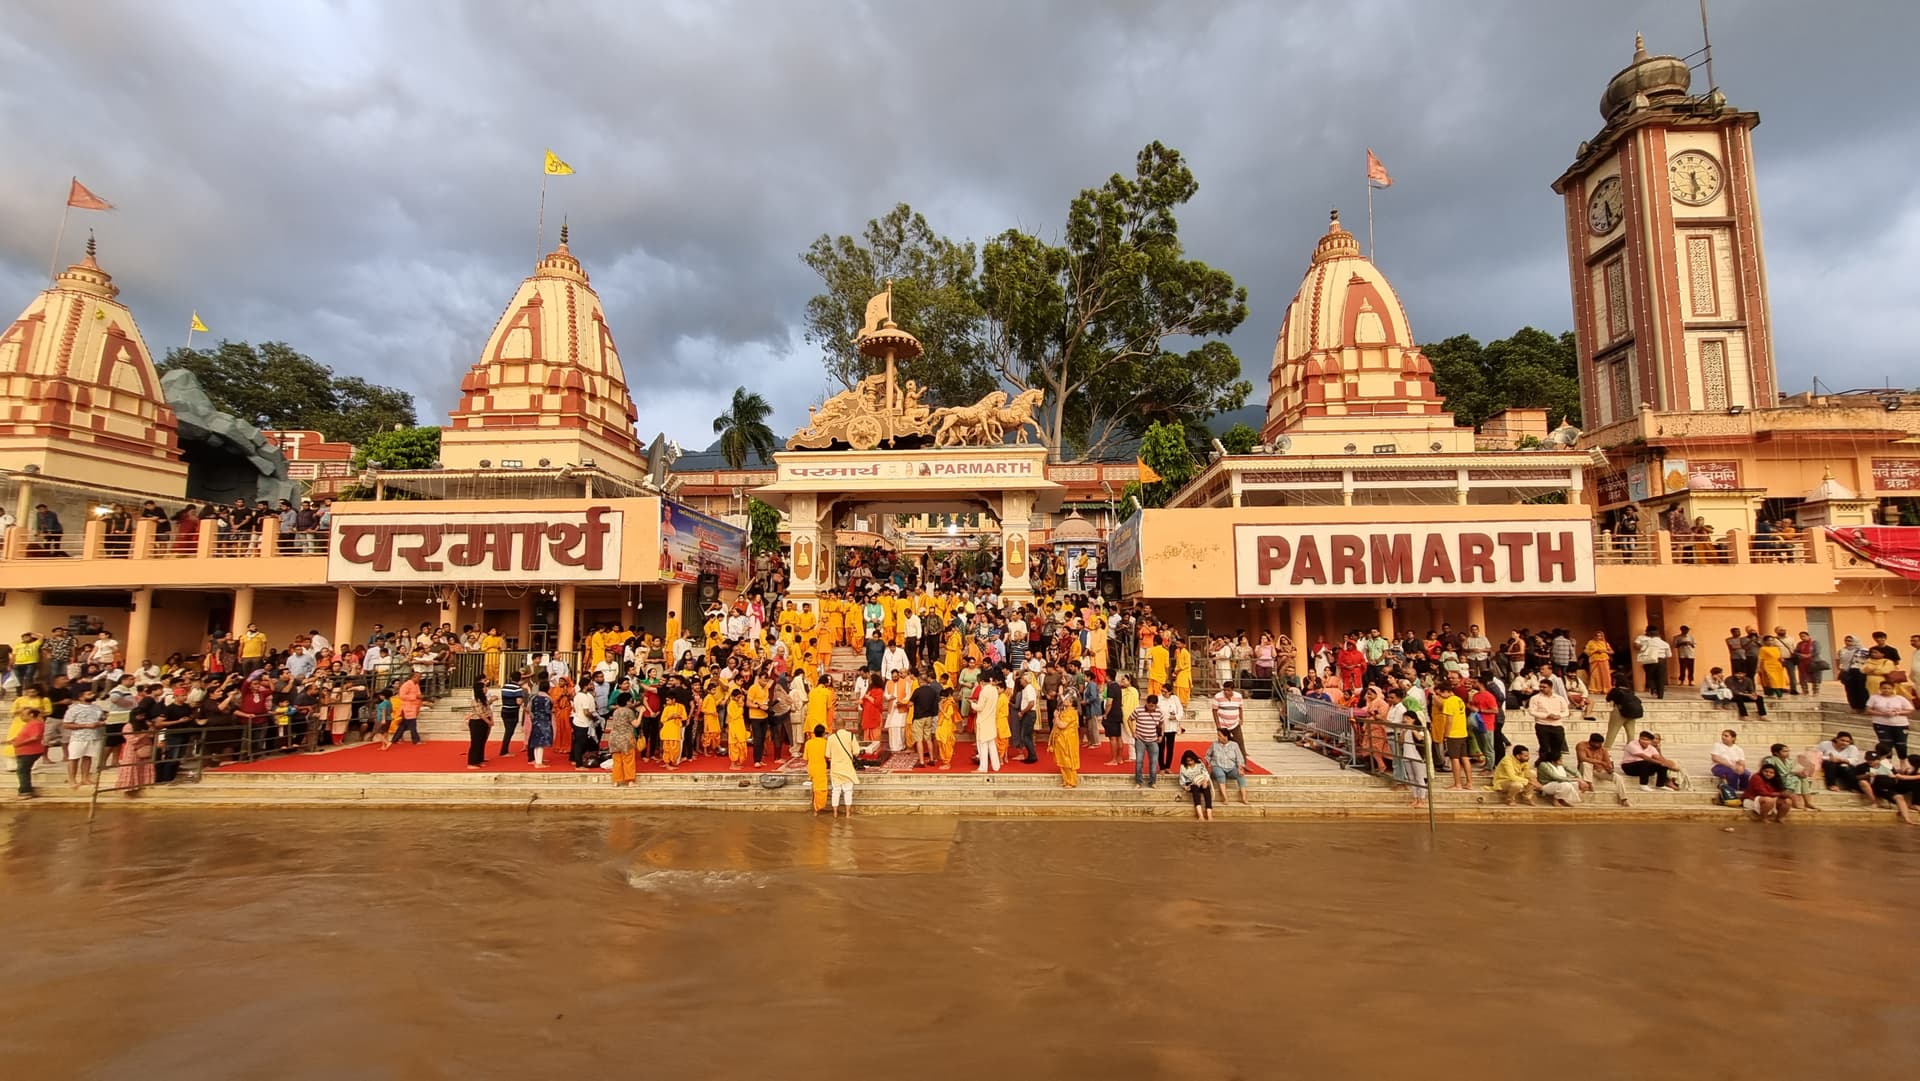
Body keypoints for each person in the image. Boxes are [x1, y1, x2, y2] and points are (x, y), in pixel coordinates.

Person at [1577, 733, 1631, 806]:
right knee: (1586, 763)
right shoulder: (1581, 745)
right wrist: (1601, 762)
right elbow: (1582, 758)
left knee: (1618, 777)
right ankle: (1589, 784)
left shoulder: (1603, 749)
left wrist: (1609, 768)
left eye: (1601, 743)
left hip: (1599, 771)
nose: (1600, 745)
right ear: (1591, 742)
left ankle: (1624, 799)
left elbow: (1607, 762)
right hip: (1585, 770)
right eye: (1598, 743)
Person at [1436, 684, 1474, 790]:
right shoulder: (1459, 700)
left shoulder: (1449, 702)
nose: (1440, 696)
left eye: (1441, 693)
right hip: (1462, 732)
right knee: (1465, 757)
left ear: (1446, 691)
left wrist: (1446, 735)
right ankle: (1469, 783)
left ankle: (1457, 784)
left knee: (1454, 758)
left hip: (1453, 734)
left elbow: (1449, 720)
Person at [5, 706, 47, 798]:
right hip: (24, 751)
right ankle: (26, 790)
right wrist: (11, 741)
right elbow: (24, 736)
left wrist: (19, 743)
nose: (21, 717)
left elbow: (35, 737)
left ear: (31, 715)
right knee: (23, 770)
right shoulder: (29, 724)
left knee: (22, 770)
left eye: (23, 715)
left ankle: (25, 791)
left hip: (30, 751)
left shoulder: (36, 723)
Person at [1866, 678, 1914, 758]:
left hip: (1900, 724)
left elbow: (1910, 710)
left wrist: (1897, 713)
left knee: (1901, 745)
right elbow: (1868, 710)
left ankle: (1903, 762)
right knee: (1886, 744)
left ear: (1893, 689)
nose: (1887, 690)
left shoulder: (1900, 698)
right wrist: (1882, 714)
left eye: (1889, 688)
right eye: (1884, 688)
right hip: (1881, 724)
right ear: (1880, 688)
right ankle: (1888, 761)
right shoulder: (1874, 698)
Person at [1526, 681, 1570, 759]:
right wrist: (1546, 716)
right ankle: (1543, 762)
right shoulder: (1535, 698)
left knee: (1557, 747)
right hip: (1542, 725)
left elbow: (1566, 711)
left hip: (1557, 725)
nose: (1541, 689)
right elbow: (1532, 711)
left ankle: (1555, 762)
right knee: (1544, 747)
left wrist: (1559, 716)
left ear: (1550, 688)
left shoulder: (1559, 698)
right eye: (1540, 687)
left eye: (1544, 687)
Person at [1206, 727, 1249, 806]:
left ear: (1226, 736)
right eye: (1218, 735)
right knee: (1220, 774)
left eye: (1220, 735)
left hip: (1231, 767)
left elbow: (1239, 758)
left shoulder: (1234, 745)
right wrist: (1208, 763)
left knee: (1241, 775)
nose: (1218, 737)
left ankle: (1244, 797)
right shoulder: (1214, 744)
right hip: (1217, 765)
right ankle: (1225, 797)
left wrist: (1240, 767)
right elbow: (1208, 755)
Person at [825, 721, 860, 816]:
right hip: (847, 768)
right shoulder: (851, 736)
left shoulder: (831, 738)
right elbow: (856, 752)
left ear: (835, 726)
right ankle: (848, 813)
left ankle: (835, 813)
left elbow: (827, 755)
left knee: (836, 791)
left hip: (835, 769)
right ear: (845, 725)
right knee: (848, 791)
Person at [1130, 693, 1164, 788]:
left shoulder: (1159, 712)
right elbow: (1130, 719)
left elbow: (1161, 723)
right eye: (1149, 705)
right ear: (1146, 703)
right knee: (1139, 761)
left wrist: (1161, 735)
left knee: (1154, 761)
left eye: (1153, 706)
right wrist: (1133, 732)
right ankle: (1138, 782)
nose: (1151, 707)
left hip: (1153, 740)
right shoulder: (1138, 710)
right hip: (1140, 739)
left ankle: (1152, 782)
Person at [1050, 694, 1080, 788]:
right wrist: (1057, 717)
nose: (1065, 700)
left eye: (1067, 700)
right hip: (1061, 739)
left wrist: (1056, 717)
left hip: (1068, 740)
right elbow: (1056, 723)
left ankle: (1071, 781)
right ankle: (1066, 780)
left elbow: (1062, 725)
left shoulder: (1071, 713)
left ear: (1071, 703)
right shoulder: (1064, 711)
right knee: (1062, 760)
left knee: (1068, 760)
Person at [1632, 625, 1670, 699]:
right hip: (1660, 660)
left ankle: (1654, 689)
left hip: (1650, 660)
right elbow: (1669, 655)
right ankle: (1660, 695)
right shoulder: (1664, 643)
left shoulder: (1647, 642)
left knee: (1650, 676)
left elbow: (1641, 648)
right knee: (1660, 678)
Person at [466, 679, 494, 769]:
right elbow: (480, 713)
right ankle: (472, 762)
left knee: (482, 741)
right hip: (477, 722)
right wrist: (488, 721)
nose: (486, 688)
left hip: (484, 721)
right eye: (484, 687)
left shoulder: (483, 699)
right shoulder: (475, 700)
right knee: (476, 742)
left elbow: (488, 709)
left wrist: (491, 719)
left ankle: (479, 760)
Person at [1177, 749, 1213, 821]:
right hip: (1191, 783)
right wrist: (1184, 786)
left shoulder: (1199, 763)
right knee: (1195, 789)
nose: (1190, 762)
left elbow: (1205, 773)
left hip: (1201, 781)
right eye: (1188, 761)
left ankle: (1209, 814)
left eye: (1191, 760)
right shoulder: (1183, 766)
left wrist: (1205, 781)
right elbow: (1182, 779)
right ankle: (1200, 815)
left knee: (1206, 789)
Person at [804, 724, 831, 815]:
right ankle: (816, 809)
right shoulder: (825, 743)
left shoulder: (808, 743)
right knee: (820, 790)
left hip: (811, 768)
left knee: (815, 788)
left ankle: (814, 806)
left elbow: (805, 758)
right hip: (820, 769)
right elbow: (828, 756)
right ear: (823, 734)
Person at [526, 686, 554, 768]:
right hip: (544, 721)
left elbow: (531, 709)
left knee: (536, 742)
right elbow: (548, 710)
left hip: (535, 720)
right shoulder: (547, 699)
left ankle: (537, 760)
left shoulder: (534, 698)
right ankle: (539, 763)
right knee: (541, 742)